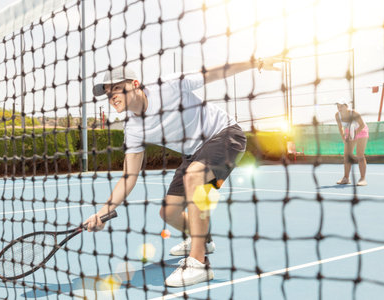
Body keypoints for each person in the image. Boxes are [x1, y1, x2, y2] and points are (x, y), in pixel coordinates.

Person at [85, 57, 280, 287]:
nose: (112, 96)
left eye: (117, 88)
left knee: (194, 176)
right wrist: (103, 212)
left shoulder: (167, 86)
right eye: (108, 93)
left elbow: (214, 72)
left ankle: (199, 262)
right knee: (168, 212)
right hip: (194, 153)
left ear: (135, 84)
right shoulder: (134, 129)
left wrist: (253, 62)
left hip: (225, 135)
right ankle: (204, 239)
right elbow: (129, 178)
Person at [335, 99, 368, 186]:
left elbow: (362, 125)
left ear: (346, 106)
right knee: (347, 155)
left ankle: (362, 179)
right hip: (349, 132)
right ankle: (346, 178)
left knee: (359, 154)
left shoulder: (354, 113)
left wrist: (354, 135)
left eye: (341, 106)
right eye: (338, 106)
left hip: (361, 130)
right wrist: (344, 138)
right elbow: (340, 128)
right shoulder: (337, 115)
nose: (339, 107)